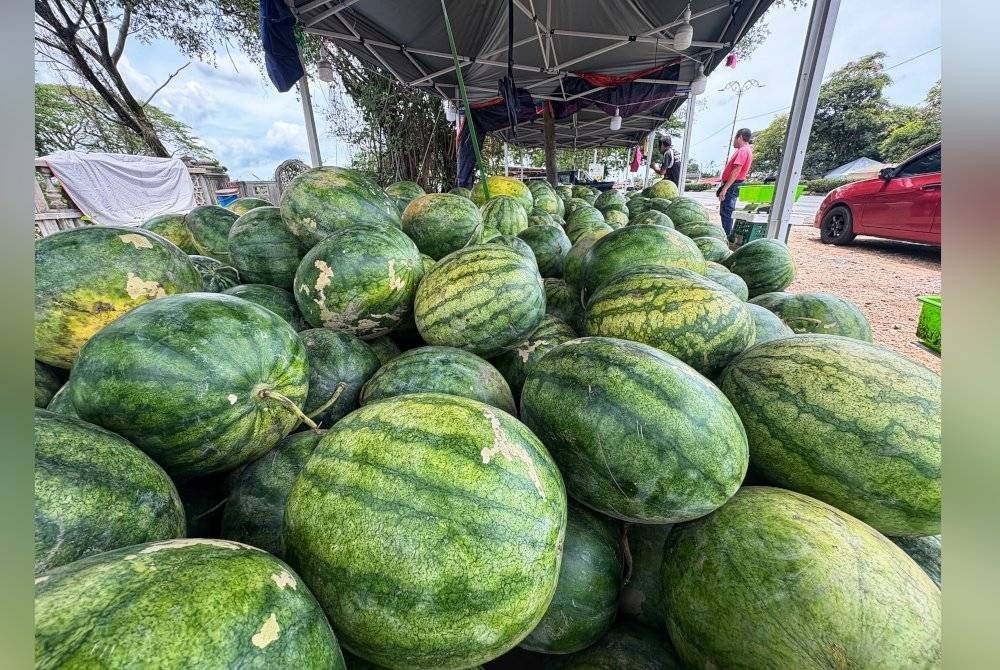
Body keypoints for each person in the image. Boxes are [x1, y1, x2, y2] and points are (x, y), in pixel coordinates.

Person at [717, 128, 754, 236]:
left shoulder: (743, 151)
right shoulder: (745, 150)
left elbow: (736, 171)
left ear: (740, 137)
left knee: (726, 211)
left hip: (732, 184)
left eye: (734, 138)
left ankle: (727, 236)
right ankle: (727, 234)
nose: (733, 141)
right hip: (733, 184)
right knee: (727, 210)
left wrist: (725, 188)